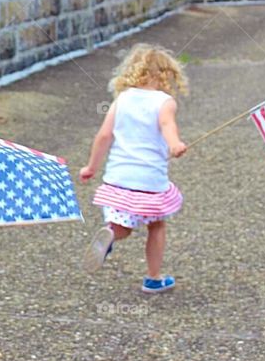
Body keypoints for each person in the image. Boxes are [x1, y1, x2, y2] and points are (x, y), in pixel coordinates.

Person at [79, 43, 188, 293]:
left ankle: (110, 234)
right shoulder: (164, 102)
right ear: (165, 75)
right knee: (157, 224)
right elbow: (167, 125)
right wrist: (175, 145)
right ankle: (153, 277)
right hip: (148, 180)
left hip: (117, 178)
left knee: (123, 227)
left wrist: (90, 166)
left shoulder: (123, 99)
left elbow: (104, 135)